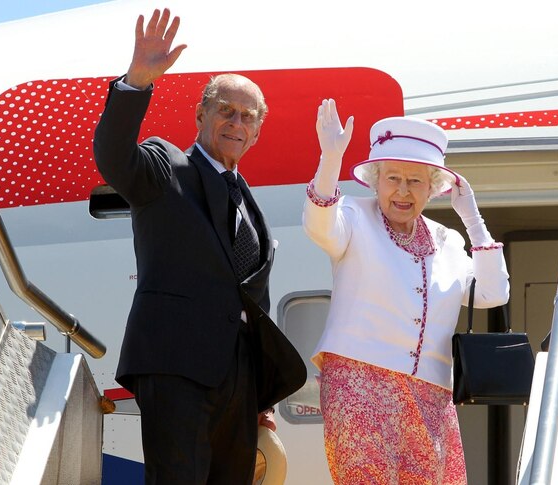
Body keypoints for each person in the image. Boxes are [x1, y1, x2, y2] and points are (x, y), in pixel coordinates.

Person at [93, 9, 305, 484]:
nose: (236, 122)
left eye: (247, 117)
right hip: (175, 365)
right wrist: (135, 83)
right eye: (225, 110)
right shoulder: (164, 165)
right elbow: (113, 155)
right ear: (201, 114)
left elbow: (254, 302)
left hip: (239, 383)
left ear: (256, 131)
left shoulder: (249, 201)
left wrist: (262, 403)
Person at [303, 99, 510, 484]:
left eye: (415, 181)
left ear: (432, 189)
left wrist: (472, 219)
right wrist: (330, 159)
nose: (402, 190)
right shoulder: (352, 215)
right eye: (393, 178)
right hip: (359, 383)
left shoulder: (447, 240)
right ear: (376, 181)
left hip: (431, 395)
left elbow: (493, 293)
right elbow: (320, 227)